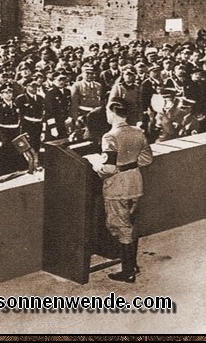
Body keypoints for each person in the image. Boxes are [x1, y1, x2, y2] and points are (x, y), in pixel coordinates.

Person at [92, 97, 153, 283]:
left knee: (120, 227)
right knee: (130, 224)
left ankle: (127, 272)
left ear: (112, 112)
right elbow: (147, 159)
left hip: (117, 187)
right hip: (135, 183)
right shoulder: (138, 131)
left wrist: (96, 166)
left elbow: (108, 168)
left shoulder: (110, 136)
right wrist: (128, 166)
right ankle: (132, 265)